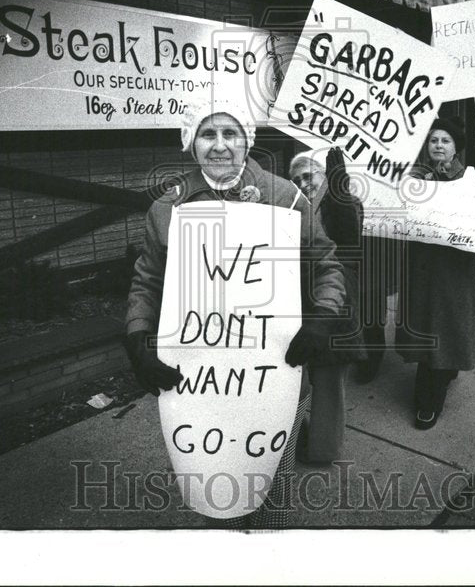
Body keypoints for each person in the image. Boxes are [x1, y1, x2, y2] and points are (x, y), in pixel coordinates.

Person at [123, 98, 347, 526]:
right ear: (191, 143)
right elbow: (148, 281)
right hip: (200, 377)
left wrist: (323, 316)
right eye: (208, 133)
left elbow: (327, 264)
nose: (220, 145)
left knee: (271, 479)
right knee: (213, 479)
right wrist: (138, 337)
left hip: (274, 367)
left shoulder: (285, 197)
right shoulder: (167, 208)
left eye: (231, 133)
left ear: (247, 140)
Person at [396, 117, 475, 429]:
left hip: (454, 269)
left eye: (445, 141)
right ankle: (442, 371)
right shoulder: (413, 177)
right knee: (424, 325)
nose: (439, 146)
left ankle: (428, 400)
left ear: (456, 146)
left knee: (444, 326)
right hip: (420, 267)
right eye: (434, 140)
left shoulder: (471, 179)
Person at [287, 147, 366, 463]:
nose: (304, 183)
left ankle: (322, 451)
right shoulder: (294, 210)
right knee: (302, 381)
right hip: (304, 310)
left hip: (336, 309)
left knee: (330, 387)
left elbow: (348, 235)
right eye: (296, 179)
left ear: (324, 174)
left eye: (309, 175)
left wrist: (339, 188)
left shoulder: (341, 203)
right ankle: (299, 439)